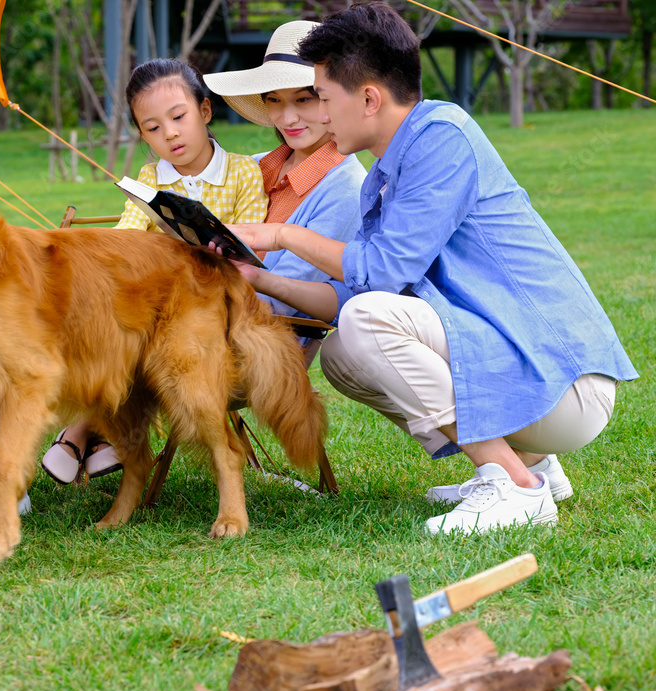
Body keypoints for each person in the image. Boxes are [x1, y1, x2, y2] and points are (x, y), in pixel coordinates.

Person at [229, 2, 638, 534]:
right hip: (523, 376)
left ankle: (514, 485)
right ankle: (531, 465)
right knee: (344, 350)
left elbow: (379, 273)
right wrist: (260, 276)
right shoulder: (390, 169)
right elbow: (353, 293)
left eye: (324, 99)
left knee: (367, 326)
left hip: (565, 383)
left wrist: (281, 234)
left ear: (369, 98)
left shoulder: (442, 136)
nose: (319, 116)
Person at [41, 58, 269, 486]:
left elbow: (249, 250)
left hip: (213, 308)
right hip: (155, 308)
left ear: (204, 111)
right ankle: (103, 435)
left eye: (179, 117)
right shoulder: (151, 178)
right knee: (112, 319)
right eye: (153, 128)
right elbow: (124, 239)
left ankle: (82, 433)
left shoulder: (241, 171)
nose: (170, 134)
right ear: (142, 134)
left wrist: (196, 246)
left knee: (137, 334)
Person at [203, 19, 366, 354]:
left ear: (328, 99)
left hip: (258, 339)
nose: (287, 118)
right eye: (274, 100)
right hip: (208, 308)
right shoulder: (256, 166)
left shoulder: (345, 187)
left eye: (303, 99)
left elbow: (278, 302)